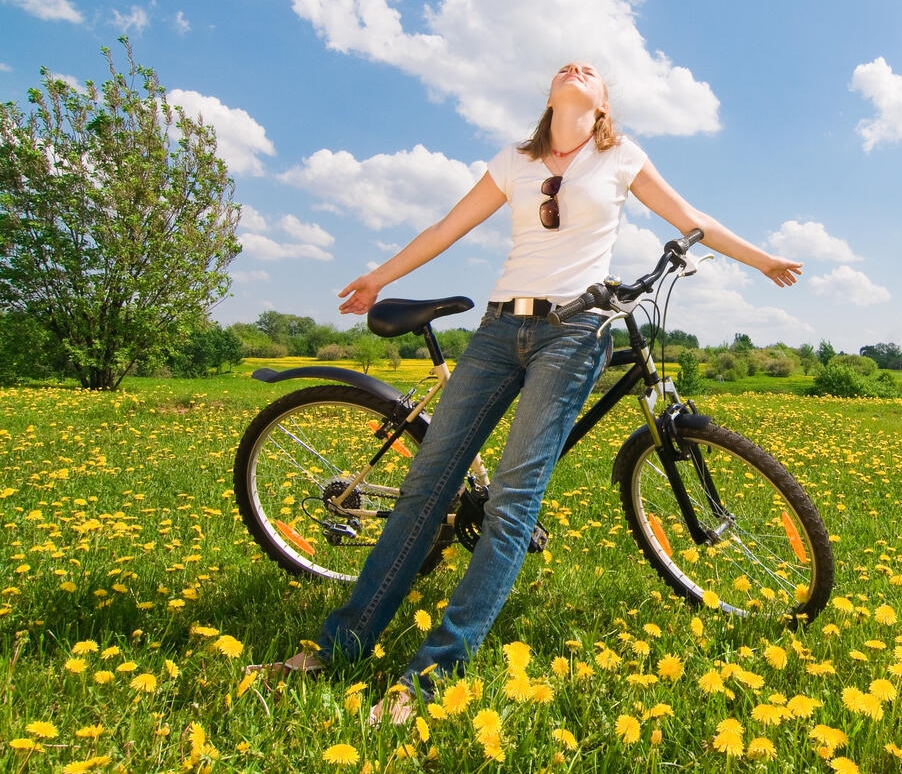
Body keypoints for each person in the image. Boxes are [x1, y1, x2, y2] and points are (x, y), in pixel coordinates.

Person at [256, 62, 802, 724]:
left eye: (591, 70)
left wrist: (763, 259)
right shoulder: (515, 161)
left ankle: (430, 676)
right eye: (565, 66)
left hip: (575, 333)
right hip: (497, 328)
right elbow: (444, 229)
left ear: (602, 104)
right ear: (551, 96)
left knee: (514, 496)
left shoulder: (620, 156)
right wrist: (379, 275)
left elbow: (693, 219)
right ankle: (339, 646)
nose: (576, 67)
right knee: (426, 485)